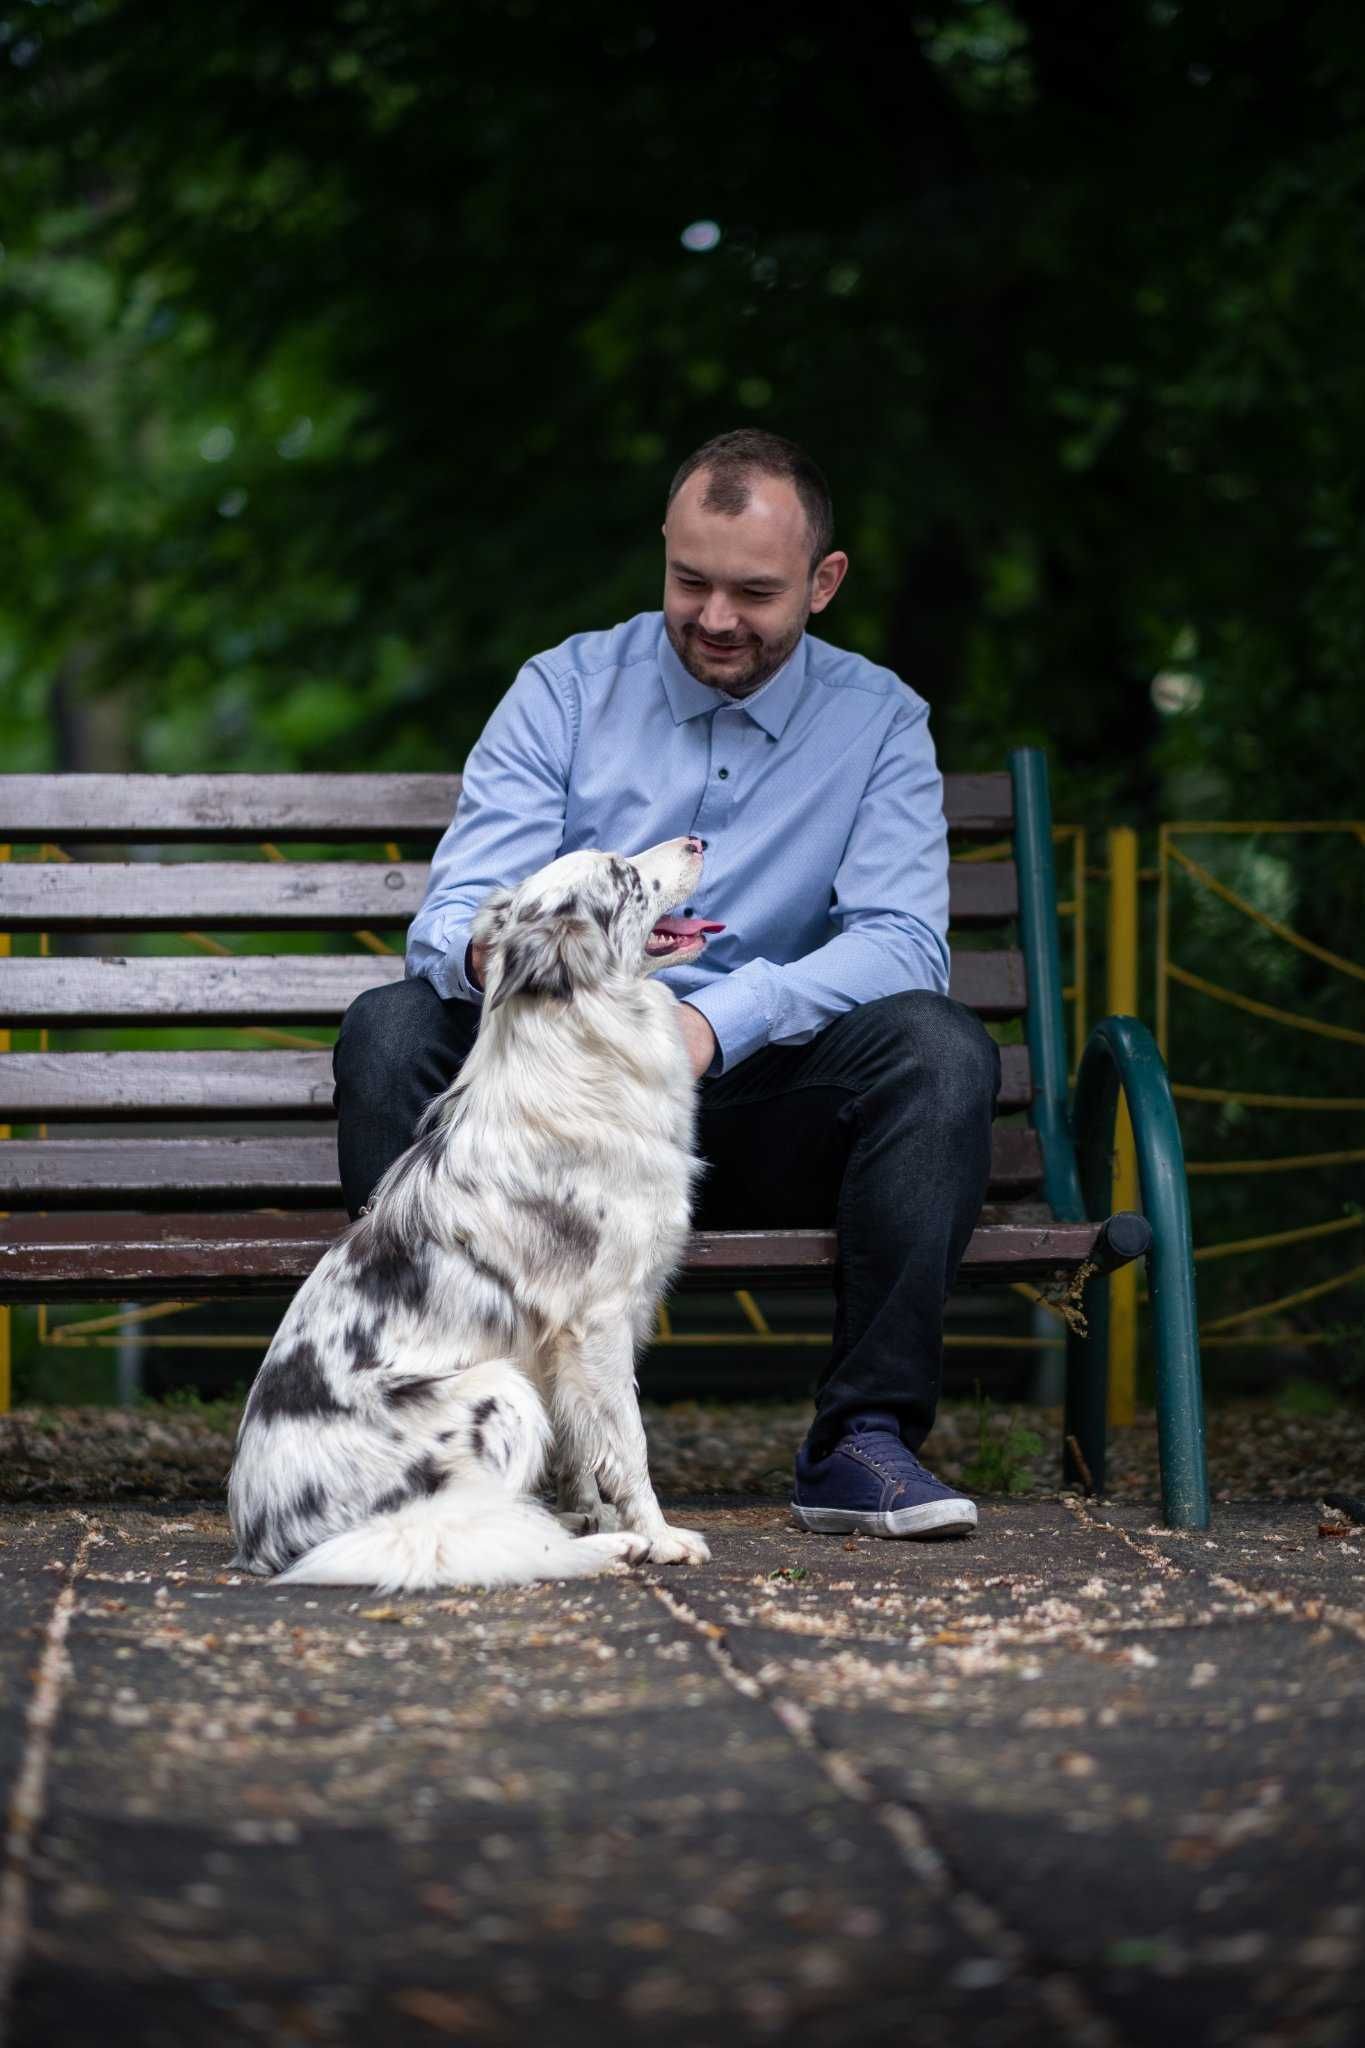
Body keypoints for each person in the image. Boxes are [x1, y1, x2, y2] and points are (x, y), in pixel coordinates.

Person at [333, 429, 1000, 1539]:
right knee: (391, 1030)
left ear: (824, 583)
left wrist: (711, 1020)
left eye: (755, 590)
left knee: (939, 1048)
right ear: (663, 554)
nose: (717, 617)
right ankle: (429, 1436)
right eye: (691, 580)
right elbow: (451, 920)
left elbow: (900, 940)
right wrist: (529, 964)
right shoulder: (562, 689)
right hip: (556, 1129)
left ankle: (861, 1443)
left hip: (753, 1111)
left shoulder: (880, 720)